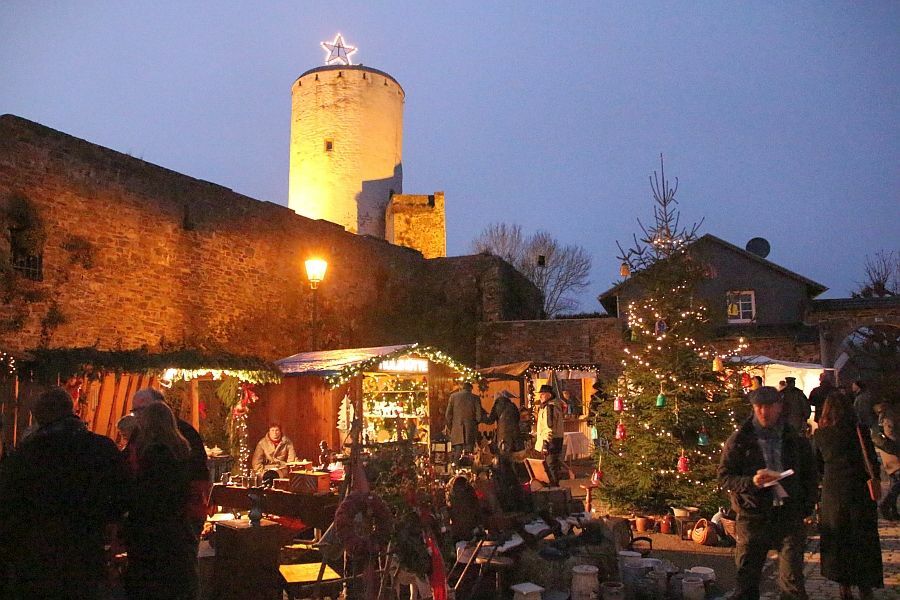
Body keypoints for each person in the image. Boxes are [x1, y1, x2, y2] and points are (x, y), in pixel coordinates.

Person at [0, 387, 128, 599]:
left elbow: (9, 502)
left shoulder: (28, 455)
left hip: (39, 555)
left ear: (42, 416)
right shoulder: (101, 448)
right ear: (72, 409)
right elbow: (121, 495)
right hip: (86, 548)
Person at [718, 386, 818, 600]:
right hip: (753, 515)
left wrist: (805, 507)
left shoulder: (794, 438)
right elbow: (725, 477)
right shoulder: (740, 440)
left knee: (792, 581)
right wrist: (751, 482)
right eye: (759, 407)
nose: (764, 412)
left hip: (788, 515)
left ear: (779, 407)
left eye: (769, 406)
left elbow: (810, 475)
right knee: (747, 579)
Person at [124, 401, 198, 600]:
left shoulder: (154, 455)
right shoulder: (181, 452)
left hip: (153, 535)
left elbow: (146, 497)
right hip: (178, 530)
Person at [813, 391, 883, 599]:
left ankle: (844, 587)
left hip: (834, 493)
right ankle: (865, 586)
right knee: (862, 539)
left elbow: (817, 465)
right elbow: (871, 461)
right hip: (860, 491)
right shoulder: (859, 431)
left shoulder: (821, 435)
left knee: (839, 540)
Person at [130, 388, 210, 535]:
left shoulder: (186, 434)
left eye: (142, 410)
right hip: (154, 520)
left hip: (179, 518)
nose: (139, 416)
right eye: (135, 412)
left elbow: (199, 474)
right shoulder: (138, 435)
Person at [872, 401, 900, 520]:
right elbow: (891, 434)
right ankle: (886, 504)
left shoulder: (885, 414)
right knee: (897, 480)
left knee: (895, 481)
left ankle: (892, 510)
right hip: (893, 452)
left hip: (889, 451)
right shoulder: (889, 415)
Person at [534, 383, 565, 487]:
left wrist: (545, 444)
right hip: (553, 440)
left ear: (549, 395)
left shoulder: (549, 407)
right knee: (552, 466)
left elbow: (549, 427)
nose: (540, 396)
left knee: (551, 467)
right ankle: (554, 488)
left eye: (543, 394)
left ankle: (555, 489)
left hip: (551, 442)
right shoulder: (547, 406)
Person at [445, 381, 484, 459]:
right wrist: (474, 424)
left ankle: (457, 465)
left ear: (461, 388)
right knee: (469, 456)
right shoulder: (475, 398)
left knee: (457, 455)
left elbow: (447, 415)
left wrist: (451, 427)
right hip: (470, 431)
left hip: (456, 432)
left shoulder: (453, 397)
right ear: (471, 389)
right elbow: (479, 417)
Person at [483, 389, 521, 454]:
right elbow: (518, 418)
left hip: (502, 435)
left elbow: (490, 420)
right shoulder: (513, 405)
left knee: (503, 454)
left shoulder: (496, 406)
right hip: (514, 435)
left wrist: (481, 415)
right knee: (512, 455)